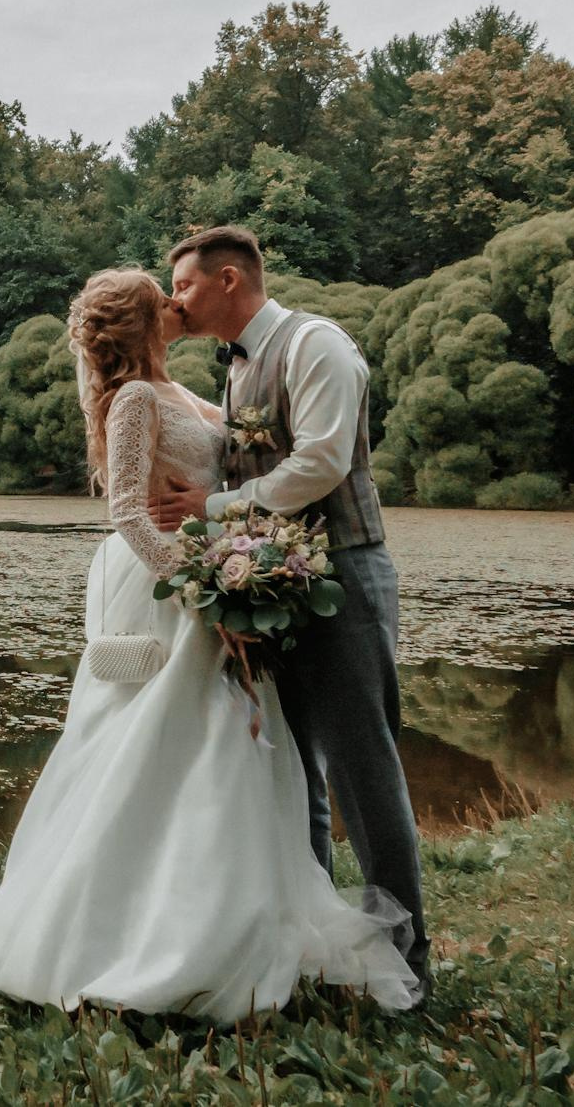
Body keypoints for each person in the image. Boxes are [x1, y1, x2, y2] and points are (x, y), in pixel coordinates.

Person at [0, 265, 420, 1022]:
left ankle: (247, 927)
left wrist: (239, 571)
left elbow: (238, 467)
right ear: (144, 322)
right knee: (176, 758)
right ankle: (149, 941)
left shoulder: (196, 392)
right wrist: (213, 598)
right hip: (177, 597)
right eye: (163, 298)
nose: (177, 306)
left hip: (218, 580)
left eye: (180, 291)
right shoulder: (135, 399)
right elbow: (131, 518)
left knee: (240, 760)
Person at [155, 224, 430, 999]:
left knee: (362, 768)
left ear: (231, 279)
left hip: (342, 573)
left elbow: (320, 460)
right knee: (292, 767)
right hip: (271, 586)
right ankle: (323, 949)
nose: (176, 299)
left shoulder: (318, 346)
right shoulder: (236, 372)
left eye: (184, 285)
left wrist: (217, 507)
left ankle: (408, 957)